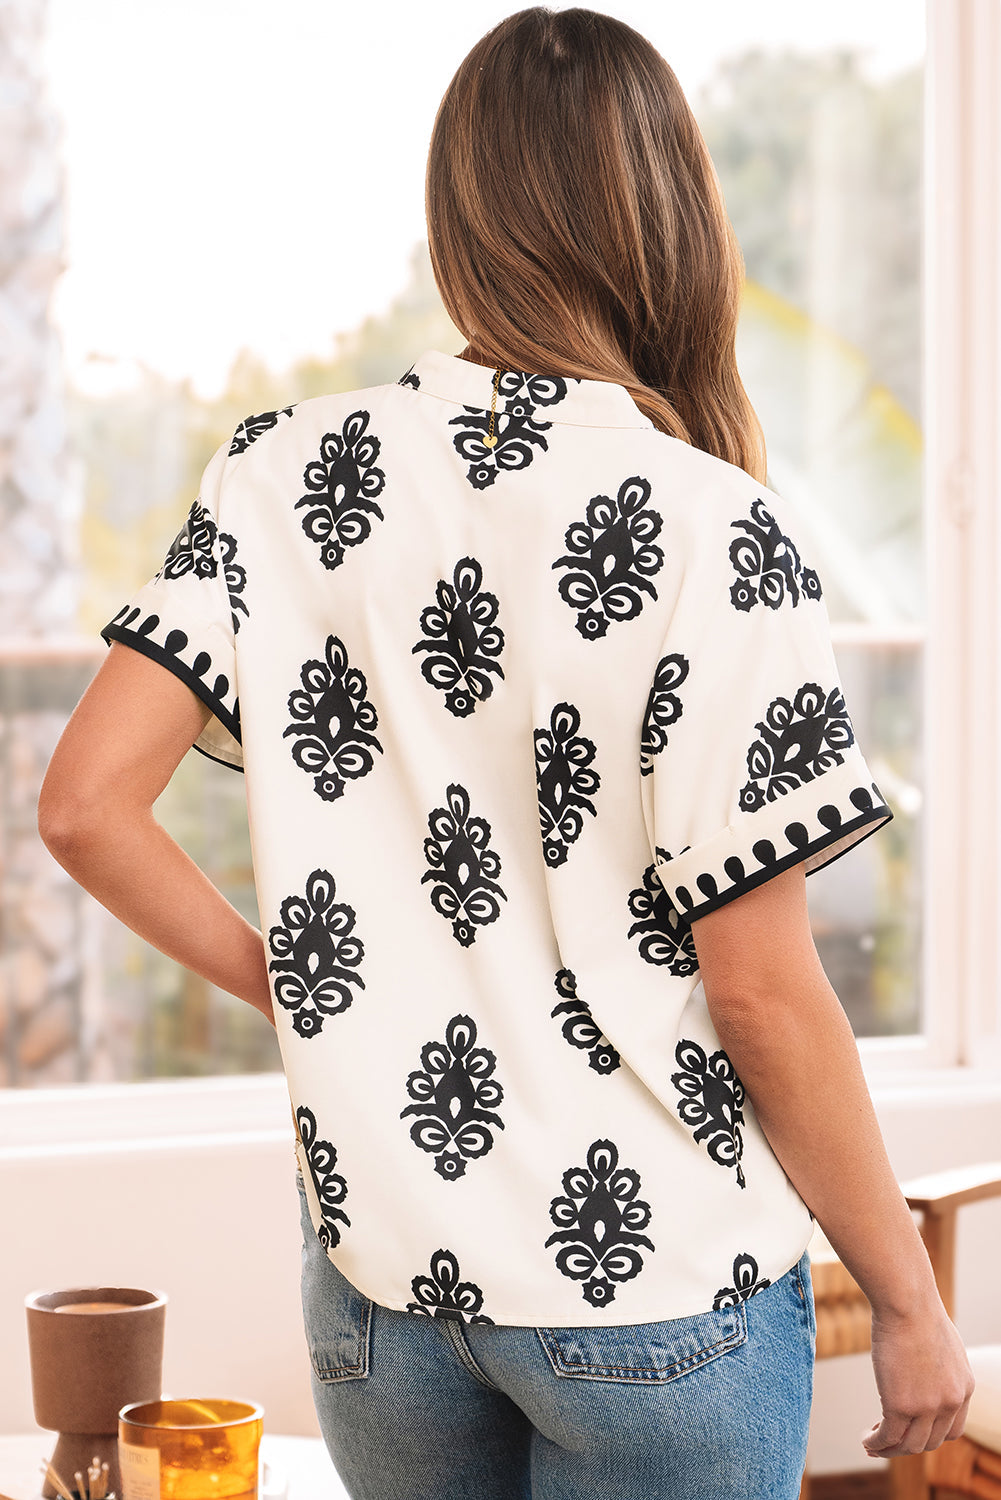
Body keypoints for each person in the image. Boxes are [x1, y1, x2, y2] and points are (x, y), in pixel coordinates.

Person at [39, 8, 973, 1499]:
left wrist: (293, 978)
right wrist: (908, 1301)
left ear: (459, 218)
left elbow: (86, 807)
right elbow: (759, 987)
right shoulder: (712, 528)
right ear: (670, 222)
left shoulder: (279, 474)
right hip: (660, 1292)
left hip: (384, 1281)